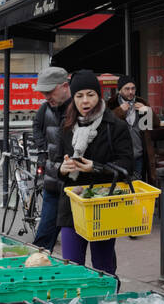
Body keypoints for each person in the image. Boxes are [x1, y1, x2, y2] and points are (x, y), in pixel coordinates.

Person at [43, 69, 135, 273]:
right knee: (72, 267)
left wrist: (96, 167)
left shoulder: (115, 126)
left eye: (90, 95)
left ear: (99, 95)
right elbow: (55, 162)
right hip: (71, 204)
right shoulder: (66, 126)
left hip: (102, 204)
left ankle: (106, 301)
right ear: (73, 98)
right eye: (79, 96)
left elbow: (127, 165)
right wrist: (62, 168)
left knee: (103, 266)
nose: (85, 101)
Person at [30, 66, 70, 252]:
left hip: (74, 182)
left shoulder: (78, 107)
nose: (46, 96)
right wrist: (43, 150)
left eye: (49, 91)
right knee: (44, 234)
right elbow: (36, 126)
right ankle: (35, 270)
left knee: (74, 241)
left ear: (64, 86)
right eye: (43, 92)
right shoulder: (45, 108)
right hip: (53, 179)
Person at [106, 74, 156, 181]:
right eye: (127, 89)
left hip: (138, 155)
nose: (130, 92)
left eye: (133, 88)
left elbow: (152, 127)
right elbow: (106, 124)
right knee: (121, 188)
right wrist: (119, 111)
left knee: (138, 187)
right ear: (119, 90)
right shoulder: (111, 104)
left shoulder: (141, 103)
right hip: (119, 157)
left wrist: (147, 111)